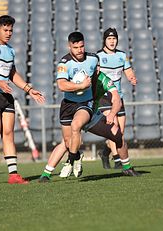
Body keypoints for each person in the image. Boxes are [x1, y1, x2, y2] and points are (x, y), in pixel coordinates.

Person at [0, 15, 45, 186]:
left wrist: (29, 89)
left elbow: (13, 74)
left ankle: (13, 174)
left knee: (9, 134)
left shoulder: (10, 50)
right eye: (5, 30)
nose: (8, 33)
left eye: (10, 30)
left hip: (6, 96)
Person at [38, 71, 141, 183]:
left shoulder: (103, 79)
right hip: (74, 112)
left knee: (117, 135)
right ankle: (46, 174)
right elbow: (62, 85)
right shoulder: (77, 74)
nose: (95, 68)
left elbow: (116, 98)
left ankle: (127, 168)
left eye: (97, 65)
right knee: (66, 143)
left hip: (92, 115)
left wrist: (111, 114)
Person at [54, 31, 98, 177]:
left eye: (82, 46)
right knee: (68, 141)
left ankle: (69, 161)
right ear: (69, 47)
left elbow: (98, 77)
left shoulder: (93, 59)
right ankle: (77, 157)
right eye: (76, 47)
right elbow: (61, 85)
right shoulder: (64, 63)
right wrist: (81, 86)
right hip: (68, 104)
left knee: (76, 126)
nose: (80, 50)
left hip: (86, 102)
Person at [96, 28, 137, 169]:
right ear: (104, 40)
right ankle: (118, 159)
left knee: (120, 133)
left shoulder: (122, 55)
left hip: (118, 98)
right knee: (113, 128)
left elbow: (128, 70)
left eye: (114, 39)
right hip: (104, 97)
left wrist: (132, 77)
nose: (112, 41)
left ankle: (104, 152)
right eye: (109, 39)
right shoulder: (98, 57)